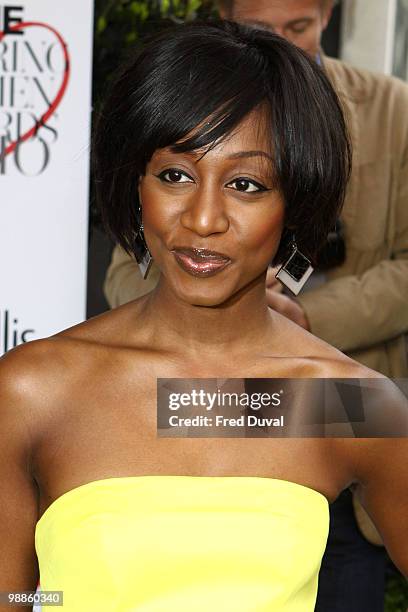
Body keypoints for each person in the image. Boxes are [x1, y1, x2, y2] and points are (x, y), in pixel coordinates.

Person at [1, 20, 407, 612]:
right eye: (175, 175)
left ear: (295, 201)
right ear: (133, 183)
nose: (203, 218)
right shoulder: (37, 389)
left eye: (246, 184)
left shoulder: (340, 404)